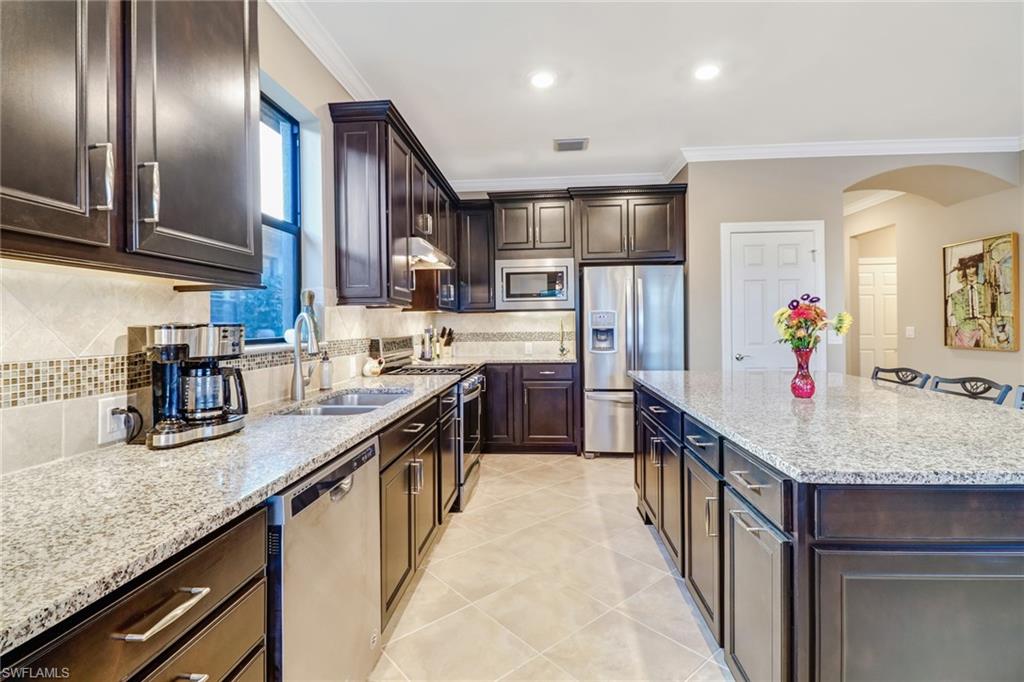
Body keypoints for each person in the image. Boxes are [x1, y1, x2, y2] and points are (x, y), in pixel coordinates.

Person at [947, 255, 990, 348]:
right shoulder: (957, 295)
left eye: (973, 266)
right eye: (967, 268)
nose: (971, 271)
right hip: (965, 335)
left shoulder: (985, 290)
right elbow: (960, 321)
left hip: (985, 333)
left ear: (977, 269)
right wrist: (979, 322)